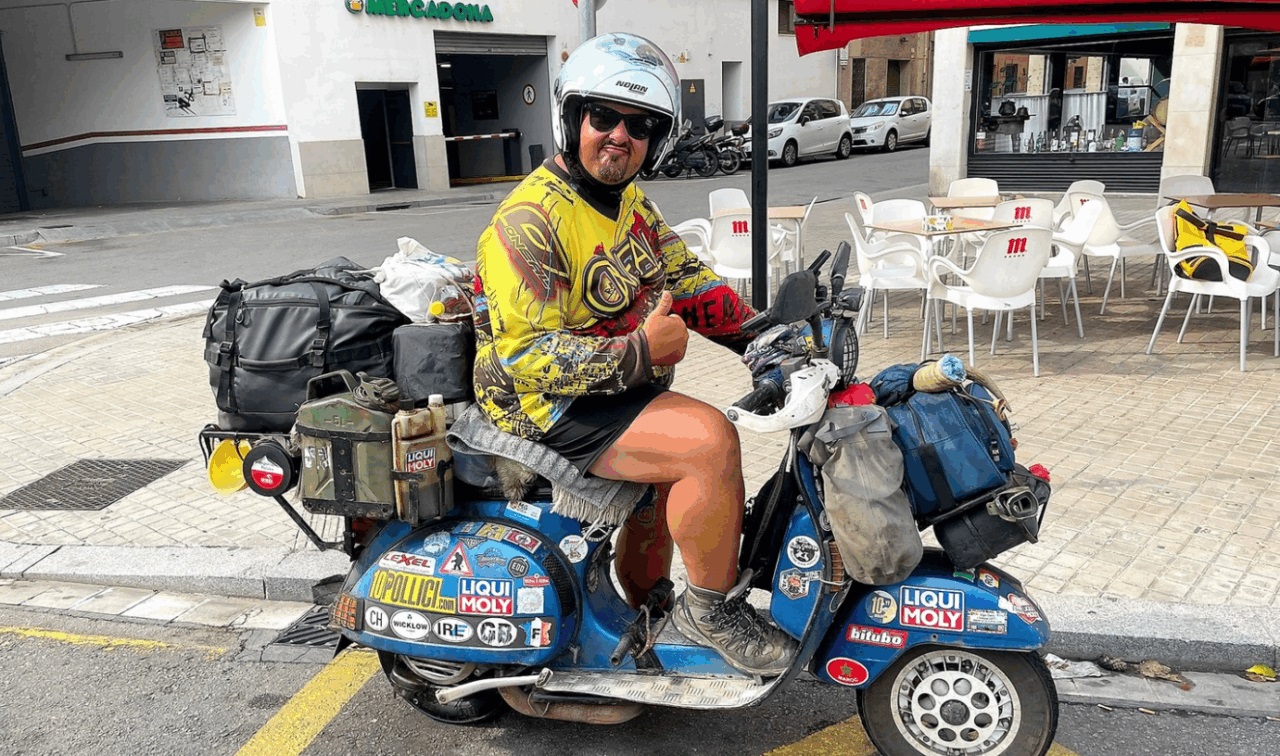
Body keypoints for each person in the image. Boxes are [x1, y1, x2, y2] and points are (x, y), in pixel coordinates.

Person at [471, 33, 796, 677]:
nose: (620, 136)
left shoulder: (629, 204)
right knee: (708, 442)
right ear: (573, 119)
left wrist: (765, 338)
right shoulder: (529, 221)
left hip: (611, 391)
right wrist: (641, 353)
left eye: (641, 125)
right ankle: (711, 613)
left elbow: (688, 279)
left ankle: (650, 603)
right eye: (604, 117)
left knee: (669, 476)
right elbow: (527, 356)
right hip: (543, 405)